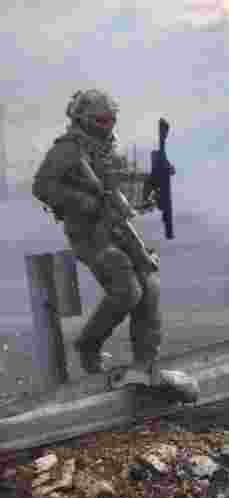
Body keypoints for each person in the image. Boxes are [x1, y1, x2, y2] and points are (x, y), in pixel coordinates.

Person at [32, 90, 162, 377]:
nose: (108, 125)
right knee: (127, 291)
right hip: (89, 234)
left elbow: (119, 184)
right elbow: (42, 186)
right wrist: (85, 202)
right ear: (84, 118)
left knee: (149, 285)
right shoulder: (67, 150)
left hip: (116, 227)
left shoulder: (105, 148)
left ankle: (145, 364)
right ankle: (88, 346)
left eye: (111, 119)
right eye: (101, 119)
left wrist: (143, 192)